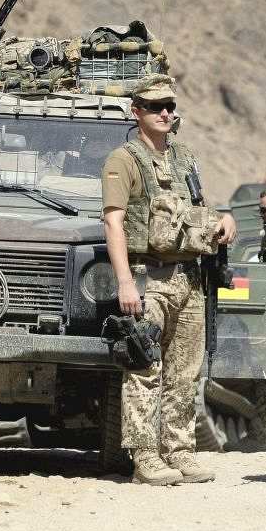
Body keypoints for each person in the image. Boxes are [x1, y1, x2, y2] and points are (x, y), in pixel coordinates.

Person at [100, 74, 237, 485]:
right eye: (156, 106)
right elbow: (113, 222)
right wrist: (124, 282)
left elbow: (196, 210)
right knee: (144, 366)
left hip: (189, 279)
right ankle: (145, 457)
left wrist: (222, 219)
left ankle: (179, 450)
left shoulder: (184, 157)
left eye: (171, 107)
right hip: (148, 277)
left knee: (185, 372)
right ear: (136, 111)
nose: (165, 113)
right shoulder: (123, 160)